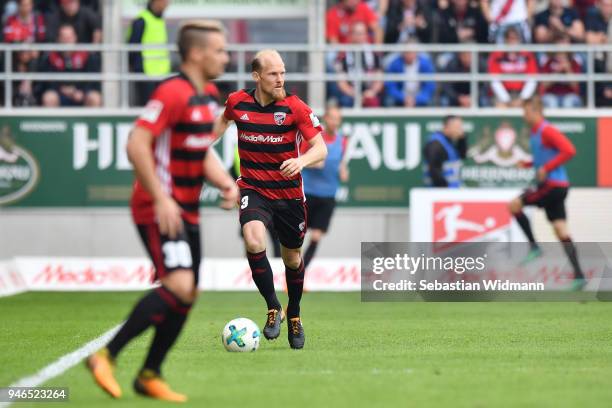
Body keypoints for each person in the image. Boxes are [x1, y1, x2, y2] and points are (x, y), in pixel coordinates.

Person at [86, 20, 239, 402]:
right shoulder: (171, 92)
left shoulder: (208, 96)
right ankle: (106, 355)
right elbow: (137, 144)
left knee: (189, 293)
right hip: (158, 208)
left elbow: (200, 150)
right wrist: (161, 197)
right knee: (179, 285)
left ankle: (150, 373)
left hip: (186, 210)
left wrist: (225, 182)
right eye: (220, 50)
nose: (226, 57)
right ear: (197, 53)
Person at [214, 49, 327, 349]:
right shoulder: (237, 102)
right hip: (254, 189)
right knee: (253, 240)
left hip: (289, 195)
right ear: (257, 76)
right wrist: (194, 141)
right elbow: (218, 126)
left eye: (283, 73)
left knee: (292, 258)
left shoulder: (295, 108)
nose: (280, 79)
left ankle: (295, 314)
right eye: (274, 74)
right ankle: (273, 306)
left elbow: (321, 148)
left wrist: (301, 162)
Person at [508, 96, 585, 290]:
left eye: (526, 112)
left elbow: (569, 150)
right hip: (557, 187)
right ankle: (579, 275)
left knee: (514, 205)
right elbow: (542, 160)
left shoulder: (546, 130)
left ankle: (534, 247)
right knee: (561, 231)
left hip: (553, 186)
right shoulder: (535, 133)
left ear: (536, 111)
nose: (524, 116)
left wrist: (547, 167)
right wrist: (527, 164)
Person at [301, 104, 349, 269]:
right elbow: (299, 158)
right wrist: (312, 162)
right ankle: (290, 270)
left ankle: (301, 273)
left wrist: (343, 170)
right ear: (325, 119)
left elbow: (341, 161)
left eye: (338, 119)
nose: (335, 122)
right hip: (308, 192)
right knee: (296, 235)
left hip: (328, 195)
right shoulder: (313, 138)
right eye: (332, 118)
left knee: (316, 236)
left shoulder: (342, 141)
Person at [36, 24, 101, 107]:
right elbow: (46, 82)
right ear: (58, 39)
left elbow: (93, 80)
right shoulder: (50, 57)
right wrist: (61, 89)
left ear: (75, 38)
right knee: (48, 97)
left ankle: (92, 120)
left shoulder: (86, 56)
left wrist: (82, 91)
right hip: (59, 94)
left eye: (69, 37)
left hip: (80, 94)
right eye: (64, 37)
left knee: (95, 97)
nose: (67, 41)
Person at [127, 0, 171, 106]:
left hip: (162, 74)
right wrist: (136, 68)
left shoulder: (160, 20)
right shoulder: (142, 20)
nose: (167, 3)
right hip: (146, 73)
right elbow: (132, 47)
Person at [487, 27, 537, 108]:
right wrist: (507, 100)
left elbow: (532, 80)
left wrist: (522, 99)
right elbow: (495, 81)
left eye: (515, 39)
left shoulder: (527, 55)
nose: (512, 42)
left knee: (532, 106)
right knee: (500, 106)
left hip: (522, 94)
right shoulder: (497, 56)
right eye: (510, 39)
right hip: (503, 95)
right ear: (505, 40)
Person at [384, 37, 436, 107]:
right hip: (400, 97)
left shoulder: (426, 64)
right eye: (407, 52)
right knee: (389, 100)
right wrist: (404, 98)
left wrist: (416, 99)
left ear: (417, 52)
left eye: (412, 51)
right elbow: (390, 87)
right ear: (402, 52)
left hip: (419, 97)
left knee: (431, 101)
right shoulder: (394, 64)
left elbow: (430, 86)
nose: (410, 54)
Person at [422, 115, 467, 187]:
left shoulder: (450, 142)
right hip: (439, 192)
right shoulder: (435, 144)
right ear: (447, 127)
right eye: (458, 127)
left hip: (452, 190)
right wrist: (445, 189)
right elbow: (434, 170)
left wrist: (462, 140)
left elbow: (462, 155)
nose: (460, 130)